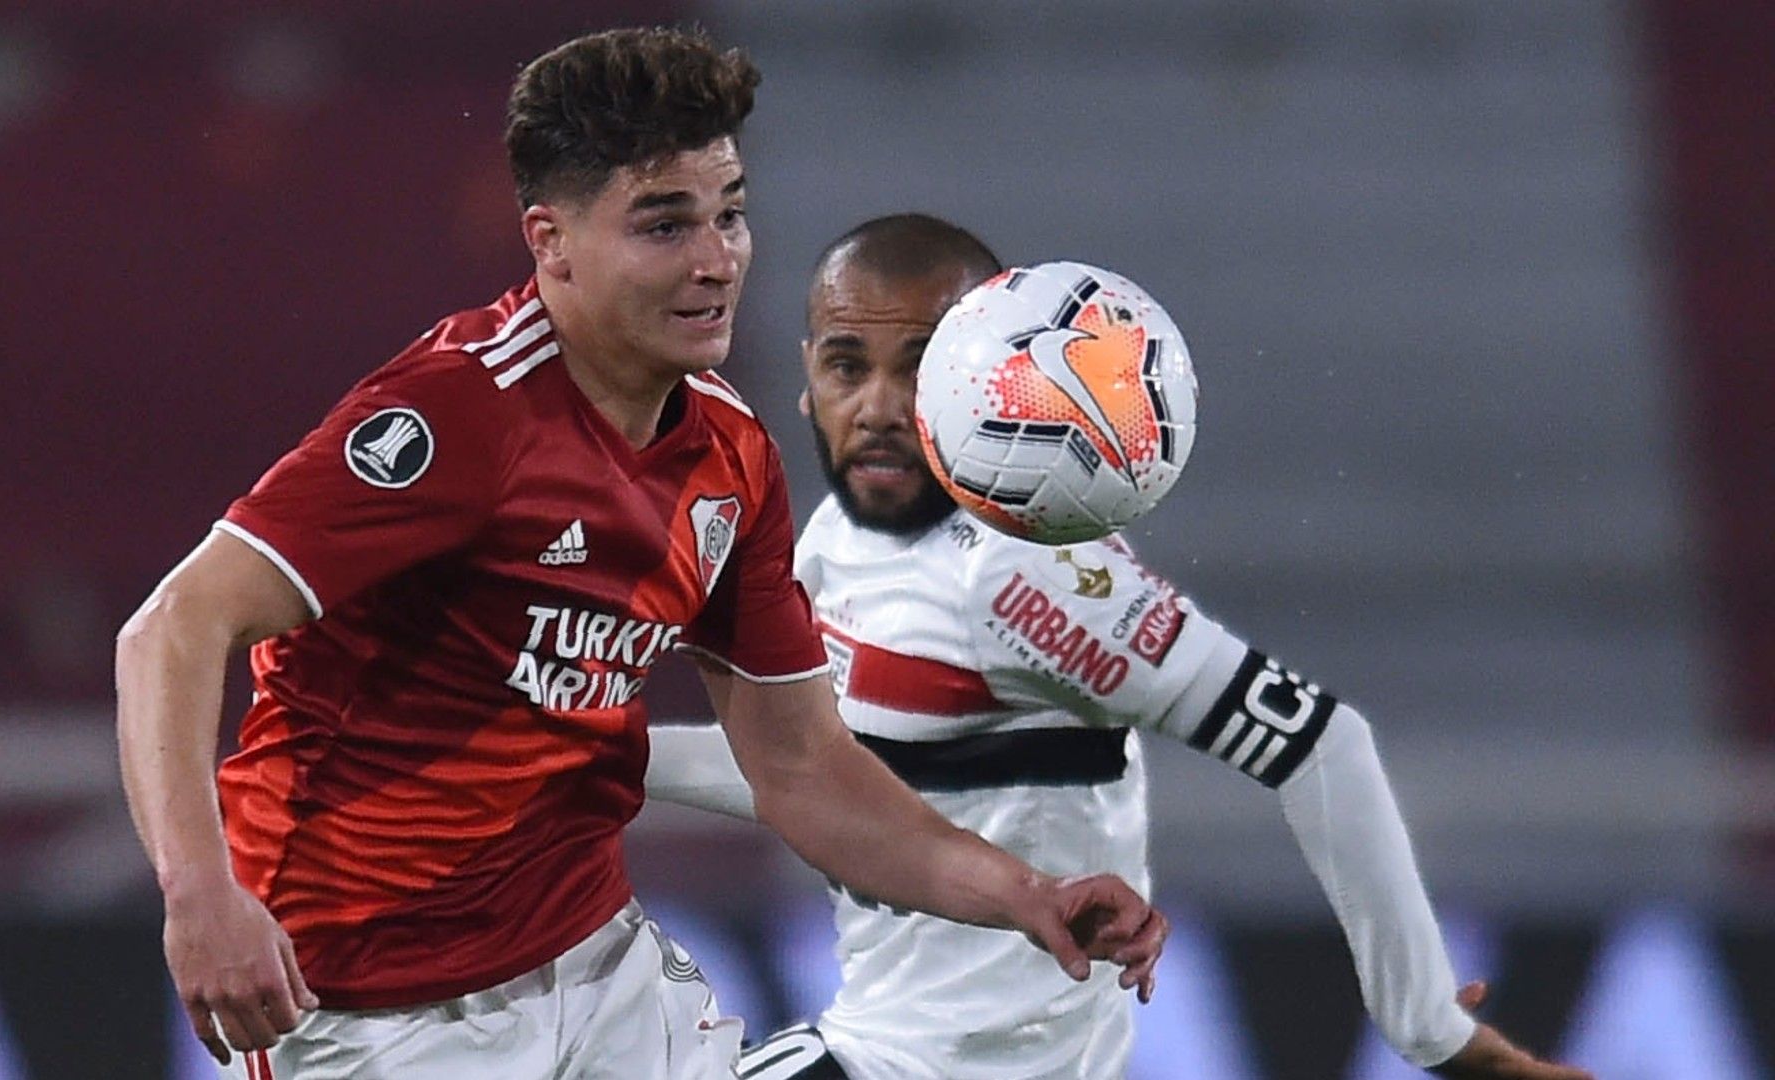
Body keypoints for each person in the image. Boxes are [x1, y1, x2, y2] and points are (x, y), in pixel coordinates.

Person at [114, 31, 1168, 1080]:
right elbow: (170, 628)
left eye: (731, 214)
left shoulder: (732, 455)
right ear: (551, 240)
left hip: (596, 966)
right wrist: (198, 893)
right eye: (665, 225)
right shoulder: (459, 417)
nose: (717, 260)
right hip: (371, 1009)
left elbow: (803, 768)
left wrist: (1026, 897)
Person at [644, 214, 1595, 1080]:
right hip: (883, 1044)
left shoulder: (1027, 576)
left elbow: (1319, 746)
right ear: (808, 378)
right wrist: (585, 743)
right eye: (850, 366)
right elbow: (816, 774)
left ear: (987, 375)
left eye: (925, 367)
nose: (882, 405)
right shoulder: (833, 546)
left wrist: (1430, 1028)